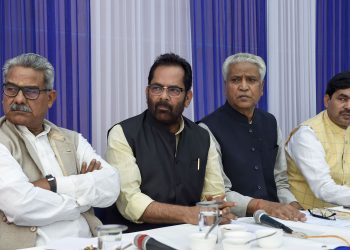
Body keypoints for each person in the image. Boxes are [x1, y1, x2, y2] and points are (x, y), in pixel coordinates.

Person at [0, 53, 120, 249]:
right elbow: (20, 205)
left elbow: (111, 185)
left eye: (30, 91)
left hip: (89, 244)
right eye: (11, 89)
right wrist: (82, 201)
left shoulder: (72, 139)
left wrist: (52, 185)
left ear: (50, 98)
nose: (18, 98)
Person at [105, 53, 235, 232]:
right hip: (140, 237)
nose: (163, 96)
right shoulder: (123, 134)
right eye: (157, 88)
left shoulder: (203, 137)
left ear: (188, 98)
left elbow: (214, 195)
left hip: (193, 235)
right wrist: (188, 214)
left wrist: (219, 208)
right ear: (147, 92)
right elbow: (131, 202)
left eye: (173, 90)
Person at [200, 53, 305, 221]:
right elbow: (219, 193)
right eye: (235, 80)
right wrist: (262, 206)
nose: (243, 87)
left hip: (276, 217)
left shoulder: (270, 122)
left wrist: (293, 206)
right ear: (225, 86)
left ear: (261, 88)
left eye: (251, 80)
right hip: (237, 221)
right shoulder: (207, 128)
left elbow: (280, 180)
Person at [286, 72, 350, 209]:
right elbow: (323, 188)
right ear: (327, 101)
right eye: (343, 99)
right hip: (307, 220)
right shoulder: (307, 134)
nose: (348, 106)